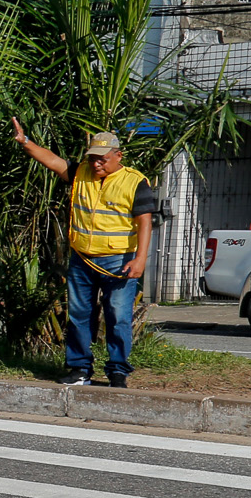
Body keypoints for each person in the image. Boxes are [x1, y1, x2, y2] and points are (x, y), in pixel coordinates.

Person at [14, 121, 154, 389]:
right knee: (79, 315)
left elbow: (144, 222)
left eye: (102, 159)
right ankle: (80, 369)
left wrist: (140, 259)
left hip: (119, 261)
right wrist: (25, 142)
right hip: (82, 259)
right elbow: (53, 161)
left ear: (118, 156)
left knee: (118, 315)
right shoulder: (81, 173)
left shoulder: (135, 182)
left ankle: (117, 372)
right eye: (92, 158)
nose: (96, 164)